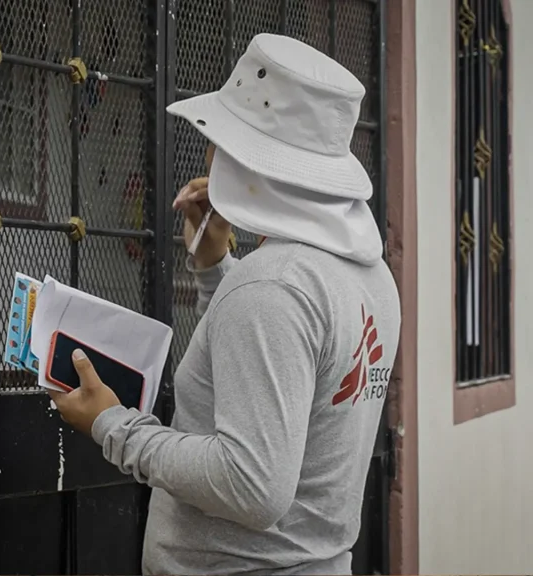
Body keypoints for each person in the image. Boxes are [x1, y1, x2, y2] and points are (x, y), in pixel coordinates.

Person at [49, 33, 401, 575]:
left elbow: (253, 487)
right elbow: (292, 359)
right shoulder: (368, 274)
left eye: (217, 140)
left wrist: (113, 425)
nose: (208, 155)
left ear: (247, 159)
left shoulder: (271, 288)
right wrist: (216, 270)